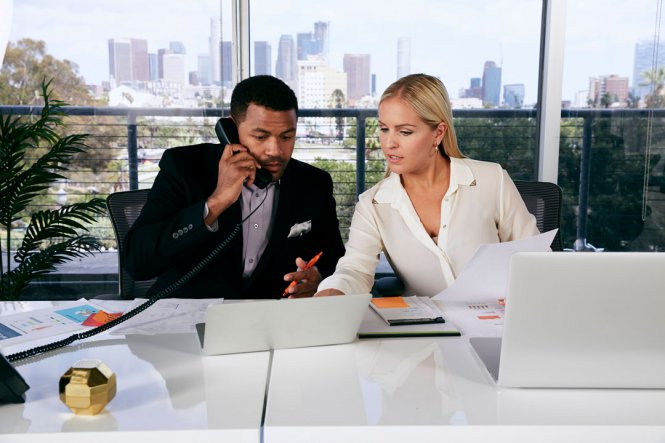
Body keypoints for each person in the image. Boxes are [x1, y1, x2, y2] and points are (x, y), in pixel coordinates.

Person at [316, 73, 539, 298]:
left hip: (497, 323)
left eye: (404, 132)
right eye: (384, 129)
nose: (389, 143)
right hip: (428, 329)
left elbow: (535, 258)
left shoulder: (491, 179)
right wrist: (333, 291)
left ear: (438, 133)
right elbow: (354, 269)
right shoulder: (372, 205)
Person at [125, 75, 345, 299]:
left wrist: (318, 276)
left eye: (287, 137)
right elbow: (137, 263)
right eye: (260, 136)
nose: (275, 150)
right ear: (232, 129)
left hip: (270, 318)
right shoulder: (184, 167)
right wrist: (216, 202)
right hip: (190, 318)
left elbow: (335, 256)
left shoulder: (314, 183)